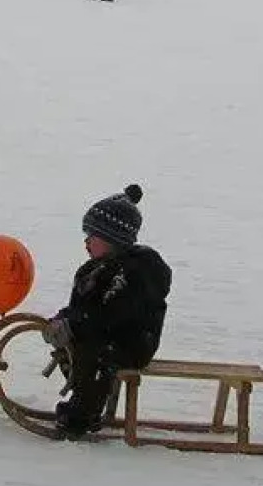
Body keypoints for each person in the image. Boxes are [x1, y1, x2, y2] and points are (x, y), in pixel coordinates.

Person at [41, 185, 171, 438]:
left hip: (131, 342)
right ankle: (84, 398)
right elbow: (86, 309)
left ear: (114, 240)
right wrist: (64, 319)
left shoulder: (132, 274)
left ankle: (82, 417)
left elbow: (110, 314)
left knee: (95, 356)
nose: (86, 241)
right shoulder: (96, 271)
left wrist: (75, 324)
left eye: (93, 235)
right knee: (75, 349)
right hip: (104, 335)